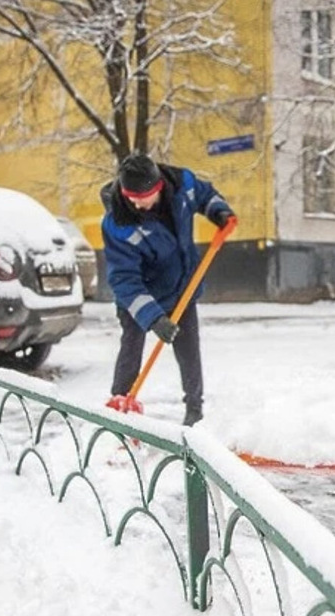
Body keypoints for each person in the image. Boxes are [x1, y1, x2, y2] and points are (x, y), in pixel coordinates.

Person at [101, 152, 235, 426]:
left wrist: (219, 211)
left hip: (181, 289)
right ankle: (120, 405)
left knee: (189, 349)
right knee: (131, 347)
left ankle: (195, 411)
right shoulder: (118, 223)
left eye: (142, 196)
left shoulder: (182, 185)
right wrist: (153, 318)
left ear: (158, 186)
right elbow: (125, 279)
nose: (136, 203)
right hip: (139, 298)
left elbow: (204, 194)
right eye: (130, 197)